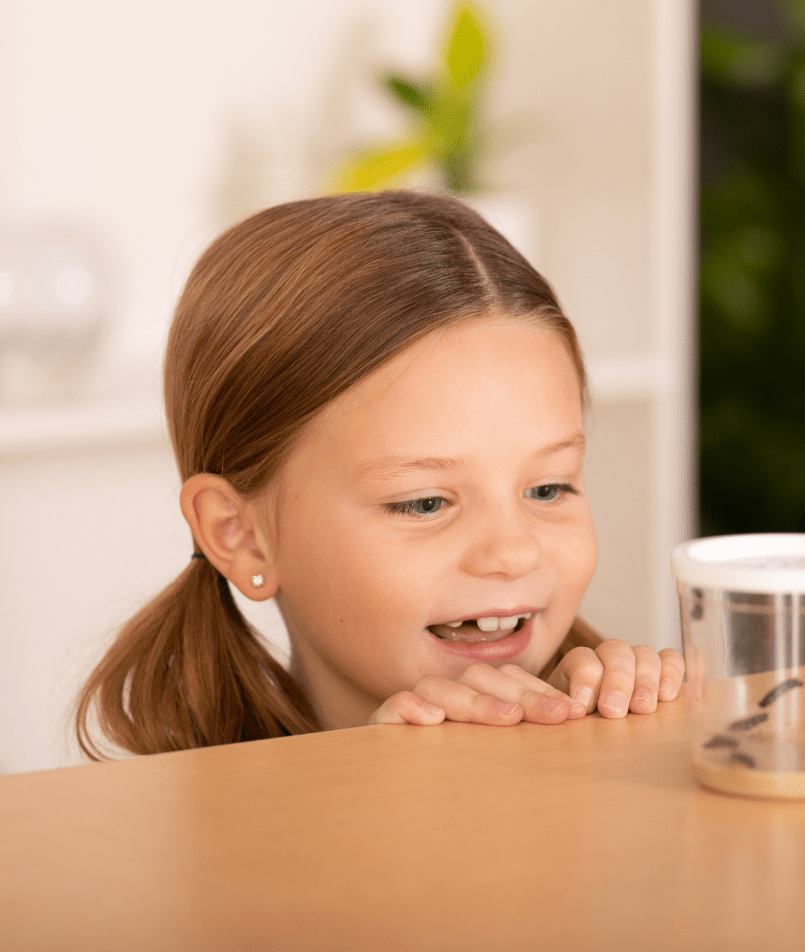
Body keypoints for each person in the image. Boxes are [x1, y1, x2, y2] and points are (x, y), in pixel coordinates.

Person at [75, 191, 684, 759]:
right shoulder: (191, 835)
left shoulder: (614, 730)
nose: (515, 551)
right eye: (424, 503)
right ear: (241, 533)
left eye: (548, 488)